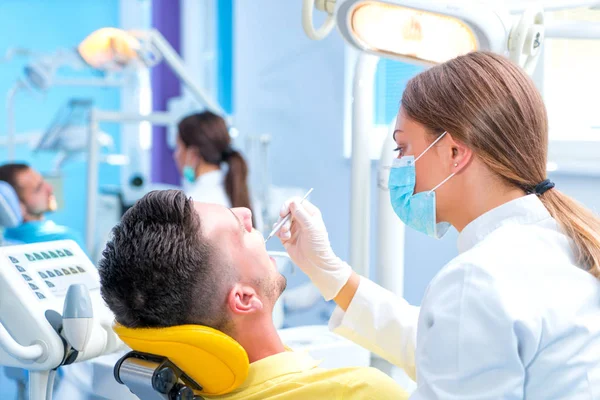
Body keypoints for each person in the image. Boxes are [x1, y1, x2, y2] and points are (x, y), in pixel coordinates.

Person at [276, 51, 600, 398]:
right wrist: (330, 274)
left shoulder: (477, 279)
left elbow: (458, 349)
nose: (397, 165)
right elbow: (450, 350)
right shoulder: (562, 240)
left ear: (454, 153)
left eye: (403, 148)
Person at [98, 190, 408, 399]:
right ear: (244, 298)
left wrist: (334, 276)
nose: (246, 213)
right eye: (240, 230)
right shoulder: (359, 391)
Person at [174, 111, 252, 210]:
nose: (175, 155)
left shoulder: (191, 204)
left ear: (193, 154)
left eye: (178, 147)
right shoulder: (241, 195)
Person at [0, 163, 85, 249]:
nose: (50, 188)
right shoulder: (66, 241)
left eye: (43, 181)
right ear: (17, 205)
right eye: (38, 188)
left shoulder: (5, 241)